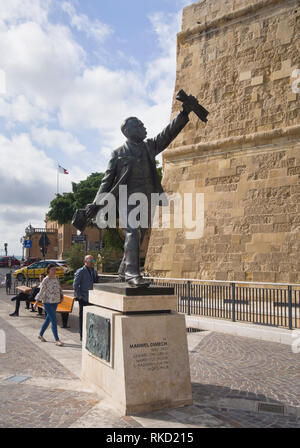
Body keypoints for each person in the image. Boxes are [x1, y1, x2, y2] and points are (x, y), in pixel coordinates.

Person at [85, 103, 193, 287]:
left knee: (140, 235)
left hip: (147, 198)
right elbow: (106, 181)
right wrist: (97, 203)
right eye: (139, 125)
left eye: (143, 125)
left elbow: (167, 134)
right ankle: (132, 274)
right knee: (132, 232)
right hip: (127, 198)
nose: (144, 127)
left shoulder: (149, 147)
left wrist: (183, 114)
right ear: (127, 130)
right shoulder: (118, 154)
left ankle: (122, 270)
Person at [33, 264, 64, 346]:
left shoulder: (56, 278)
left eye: (55, 269)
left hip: (55, 301)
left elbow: (59, 288)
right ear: (48, 270)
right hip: (47, 302)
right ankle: (57, 340)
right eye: (52, 269)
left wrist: (62, 295)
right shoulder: (45, 280)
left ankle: (40, 335)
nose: (54, 271)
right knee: (54, 320)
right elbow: (41, 291)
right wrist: (36, 302)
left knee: (48, 320)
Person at [73, 255, 98, 341]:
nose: (92, 261)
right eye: (90, 260)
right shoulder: (81, 271)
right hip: (84, 298)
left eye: (93, 259)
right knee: (83, 318)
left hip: (93, 299)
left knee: (92, 318)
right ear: (85, 261)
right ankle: (82, 335)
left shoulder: (94, 271)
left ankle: (90, 334)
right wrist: (79, 296)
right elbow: (75, 285)